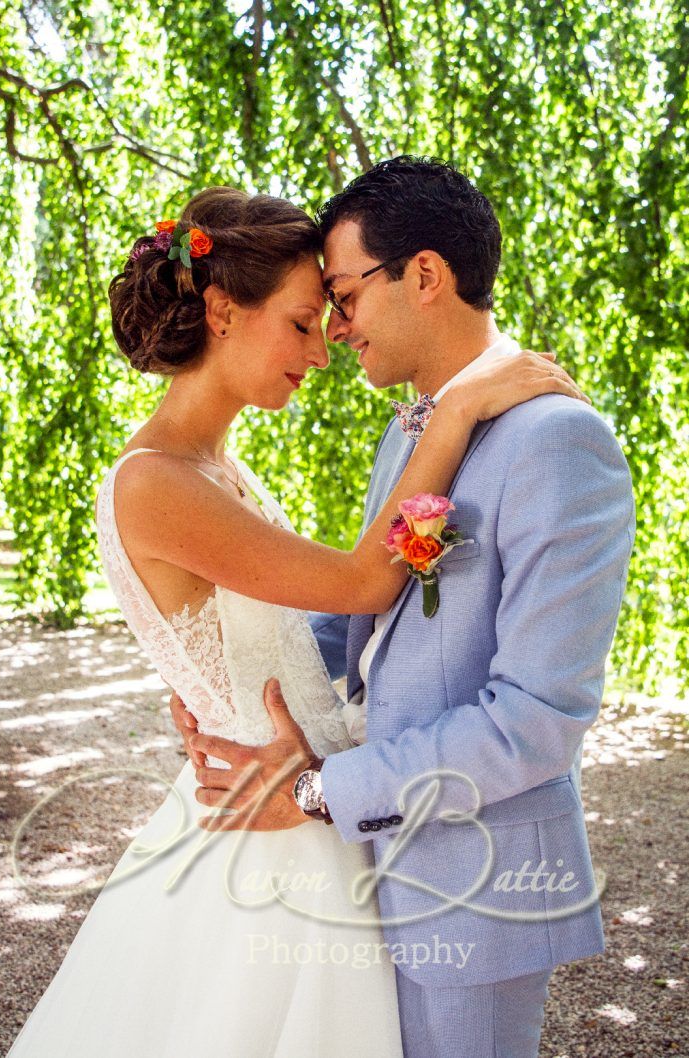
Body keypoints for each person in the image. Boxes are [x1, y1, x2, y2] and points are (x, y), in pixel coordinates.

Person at [5, 182, 584, 1058]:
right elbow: (362, 584)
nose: (322, 351)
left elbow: (296, 629)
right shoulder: (157, 480)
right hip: (271, 827)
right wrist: (456, 409)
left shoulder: (212, 466)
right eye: (305, 320)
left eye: (334, 312)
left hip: (311, 810)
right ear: (222, 312)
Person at [170, 158, 636, 1058]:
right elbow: (363, 627)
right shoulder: (413, 429)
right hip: (366, 868)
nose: (334, 330)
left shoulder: (556, 441)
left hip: (476, 888)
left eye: (343, 296)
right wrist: (222, 671)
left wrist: (313, 793)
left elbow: (535, 722)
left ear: (424, 275)